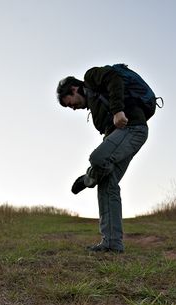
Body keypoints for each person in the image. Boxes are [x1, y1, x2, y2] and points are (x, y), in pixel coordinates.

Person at [57, 65, 151, 253]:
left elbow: (113, 78)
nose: (73, 108)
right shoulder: (95, 109)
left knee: (97, 158)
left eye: (70, 103)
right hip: (121, 136)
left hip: (133, 128)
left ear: (74, 89)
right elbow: (109, 133)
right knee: (108, 184)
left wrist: (118, 111)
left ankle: (88, 178)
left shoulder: (91, 77)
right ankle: (112, 243)